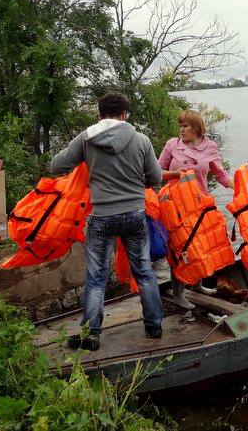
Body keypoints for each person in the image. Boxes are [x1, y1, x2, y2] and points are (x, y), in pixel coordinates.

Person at [50, 93, 163, 351]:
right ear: (124, 115)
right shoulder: (141, 140)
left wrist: (83, 161)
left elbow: (57, 165)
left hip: (102, 217)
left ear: (100, 114)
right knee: (144, 272)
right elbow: (155, 177)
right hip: (135, 214)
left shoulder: (86, 138)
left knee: (96, 278)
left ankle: (91, 335)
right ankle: (154, 326)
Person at [158, 110, 234, 306]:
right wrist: (175, 174)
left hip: (200, 205)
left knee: (200, 245)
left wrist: (240, 187)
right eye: (180, 126)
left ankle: (197, 284)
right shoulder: (172, 145)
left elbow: (221, 175)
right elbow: (156, 172)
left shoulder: (210, 146)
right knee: (180, 247)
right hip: (177, 206)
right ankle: (178, 292)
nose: (181, 130)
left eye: (185, 126)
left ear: (197, 128)